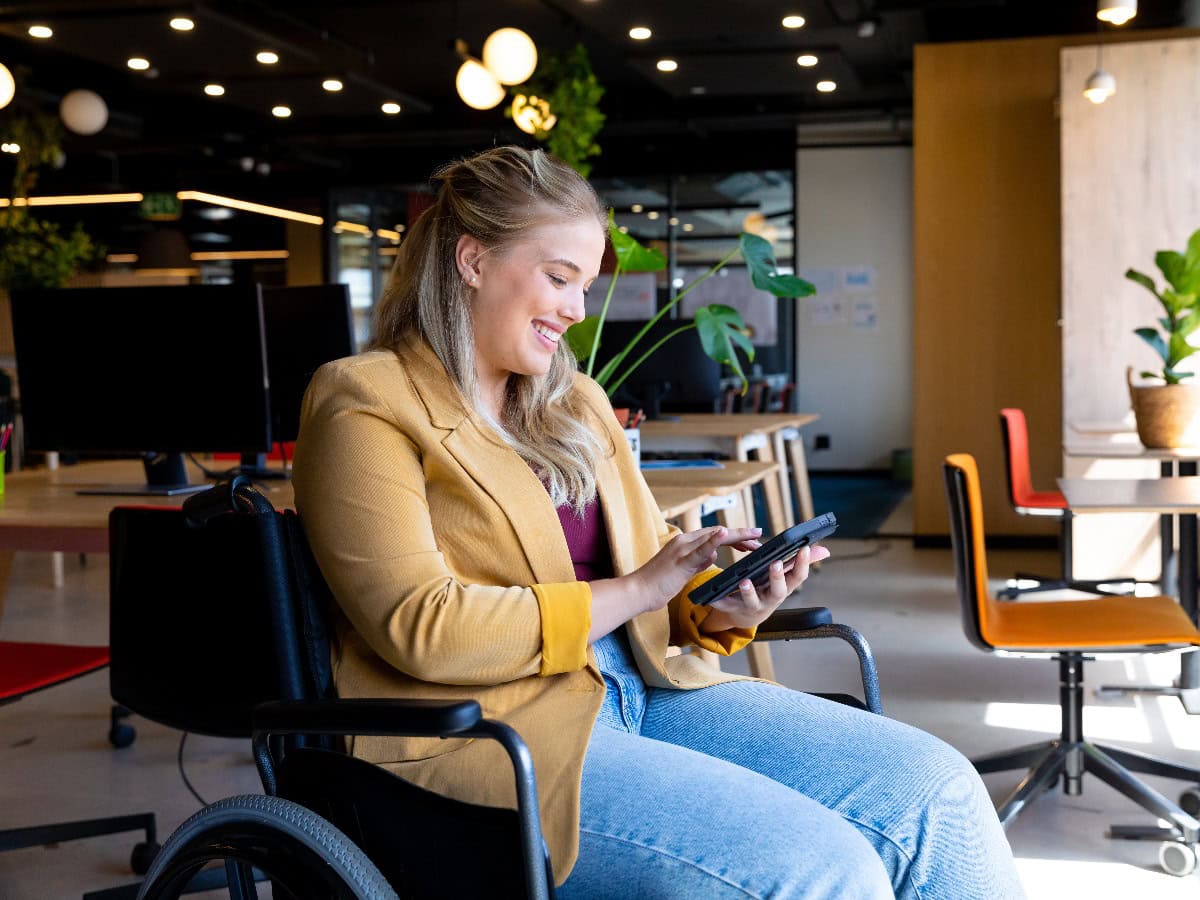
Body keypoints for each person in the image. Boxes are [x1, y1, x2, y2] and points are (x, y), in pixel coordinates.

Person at [291, 145, 1025, 899]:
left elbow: (656, 587)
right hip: (491, 733)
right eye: (559, 278)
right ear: (473, 261)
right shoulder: (367, 400)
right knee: (821, 869)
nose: (577, 309)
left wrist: (715, 605)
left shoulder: (574, 404)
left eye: (585, 284)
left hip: (643, 690)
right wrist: (641, 590)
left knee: (939, 791)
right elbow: (423, 625)